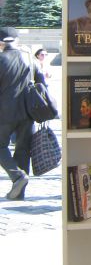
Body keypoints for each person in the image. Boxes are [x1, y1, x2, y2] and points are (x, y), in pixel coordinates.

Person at [0, 27, 37, 200]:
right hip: (29, 112)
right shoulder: (30, 58)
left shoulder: (1, 59)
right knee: (23, 150)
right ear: (17, 41)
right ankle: (19, 193)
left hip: (5, 112)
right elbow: (41, 83)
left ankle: (17, 176)